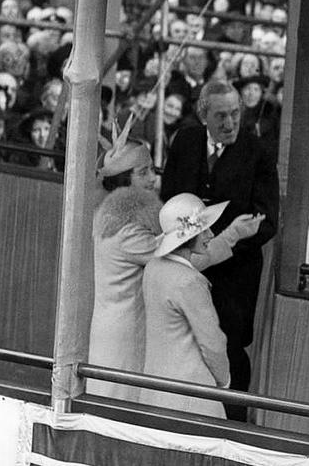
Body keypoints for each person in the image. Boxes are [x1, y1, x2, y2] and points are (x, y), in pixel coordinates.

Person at [89, 116, 262, 402]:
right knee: (119, 410)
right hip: (124, 335)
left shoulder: (116, 221)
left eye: (151, 171)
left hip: (130, 329)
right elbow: (184, 260)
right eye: (143, 173)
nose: (152, 179)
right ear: (124, 180)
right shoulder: (125, 231)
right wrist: (231, 235)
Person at [161, 80, 279, 421]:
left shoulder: (259, 153)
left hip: (235, 277)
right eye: (221, 116)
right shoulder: (185, 141)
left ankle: (232, 424)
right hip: (182, 267)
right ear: (203, 116)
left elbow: (267, 222)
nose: (229, 123)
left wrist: (219, 248)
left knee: (228, 347)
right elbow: (169, 198)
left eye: (235, 114)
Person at [140, 193, 248, 417]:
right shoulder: (190, 281)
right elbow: (213, 343)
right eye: (204, 229)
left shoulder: (154, 267)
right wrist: (224, 381)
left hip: (155, 391)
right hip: (191, 395)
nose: (210, 234)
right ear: (188, 236)